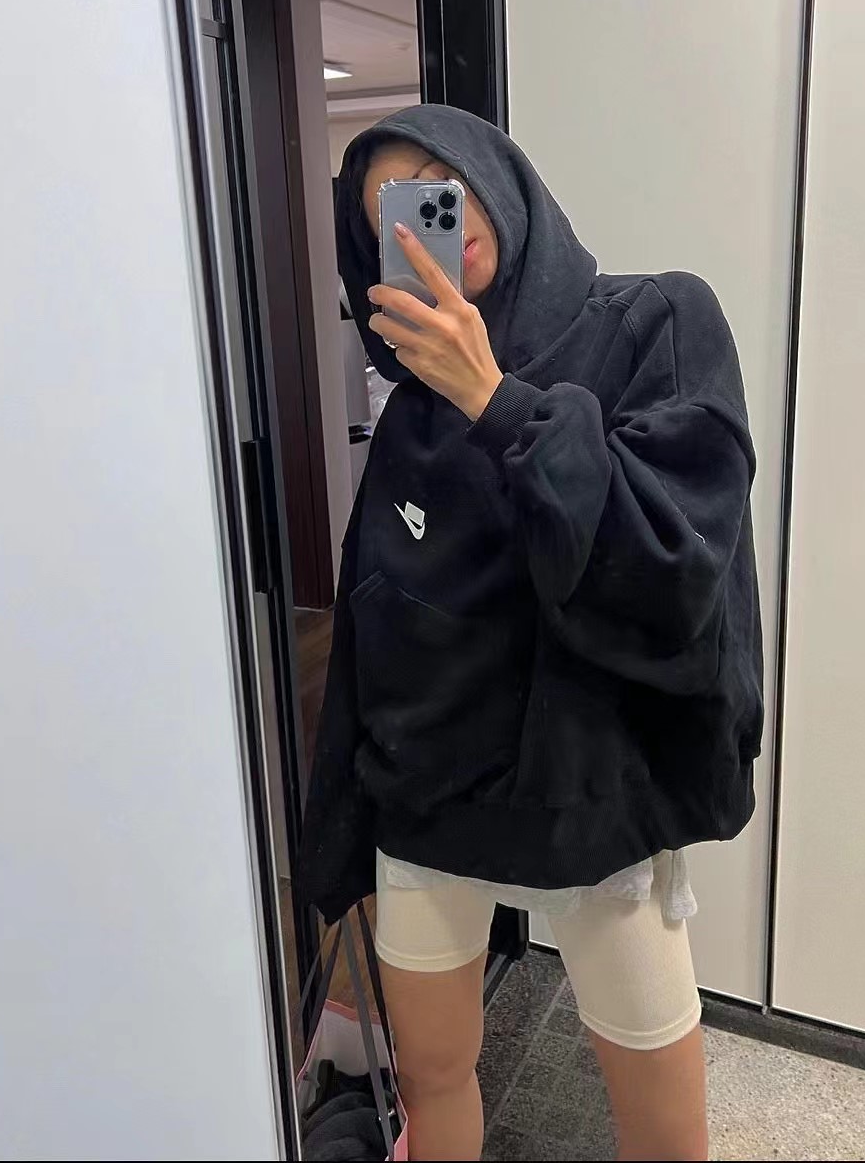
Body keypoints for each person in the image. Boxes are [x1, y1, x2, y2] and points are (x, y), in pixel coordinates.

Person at [299, 105, 763, 1162]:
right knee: (433, 1082)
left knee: (660, 1128)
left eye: (442, 182)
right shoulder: (409, 407)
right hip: (429, 794)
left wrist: (493, 396)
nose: (427, 218)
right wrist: (344, 819)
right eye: (389, 209)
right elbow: (376, 617)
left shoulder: (654, 320)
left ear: (497, 182)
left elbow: (671, 569)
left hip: (594, 784)